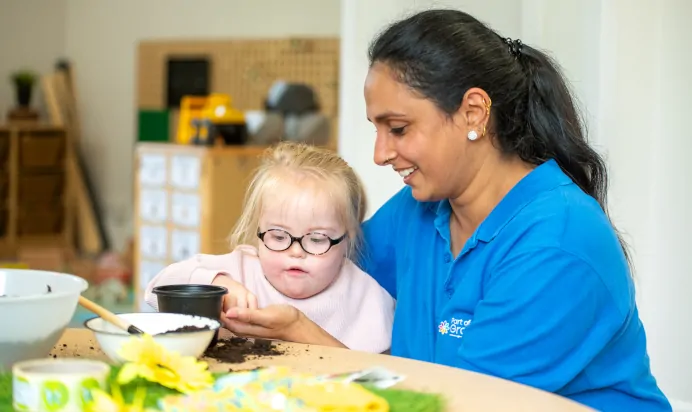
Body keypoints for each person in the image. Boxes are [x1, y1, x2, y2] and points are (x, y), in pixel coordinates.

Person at [218, 8, 672, 412]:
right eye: (376, 129)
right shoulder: (418, 211)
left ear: (474, 113)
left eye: (398, 128)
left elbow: (458, 402)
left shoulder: (557, 246)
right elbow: (320, 272)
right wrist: (227, 282)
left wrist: (303, 333)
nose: (379, 154)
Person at [143, 141, 395, 354]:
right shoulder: (238, 269)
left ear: (347, 241)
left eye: (317, 239)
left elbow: (382, 373)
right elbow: (156, 288)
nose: (296, 252)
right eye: (278, 236)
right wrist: (217, 282)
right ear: (258, 232)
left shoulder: (366, 295)